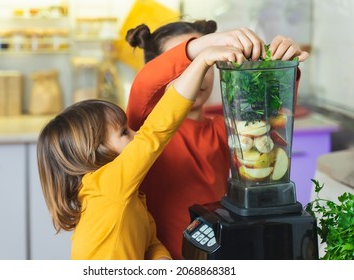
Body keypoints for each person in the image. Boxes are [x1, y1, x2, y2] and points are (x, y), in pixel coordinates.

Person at [36, 40, 250, 259]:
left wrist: (161, 259)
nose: (136, 134)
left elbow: (150, 241)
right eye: (124, 133)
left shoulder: (130, 196)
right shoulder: (107, 186)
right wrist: (202, 61)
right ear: (94, 151)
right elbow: (154, 133)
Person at [125, 21, 309, 259]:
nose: (199, 75)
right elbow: (145, 82)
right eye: (188, 65)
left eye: (207, 63)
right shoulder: (145, 127)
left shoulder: (228, 128)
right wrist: (208, 45)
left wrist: (283, 64)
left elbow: (272, 117)